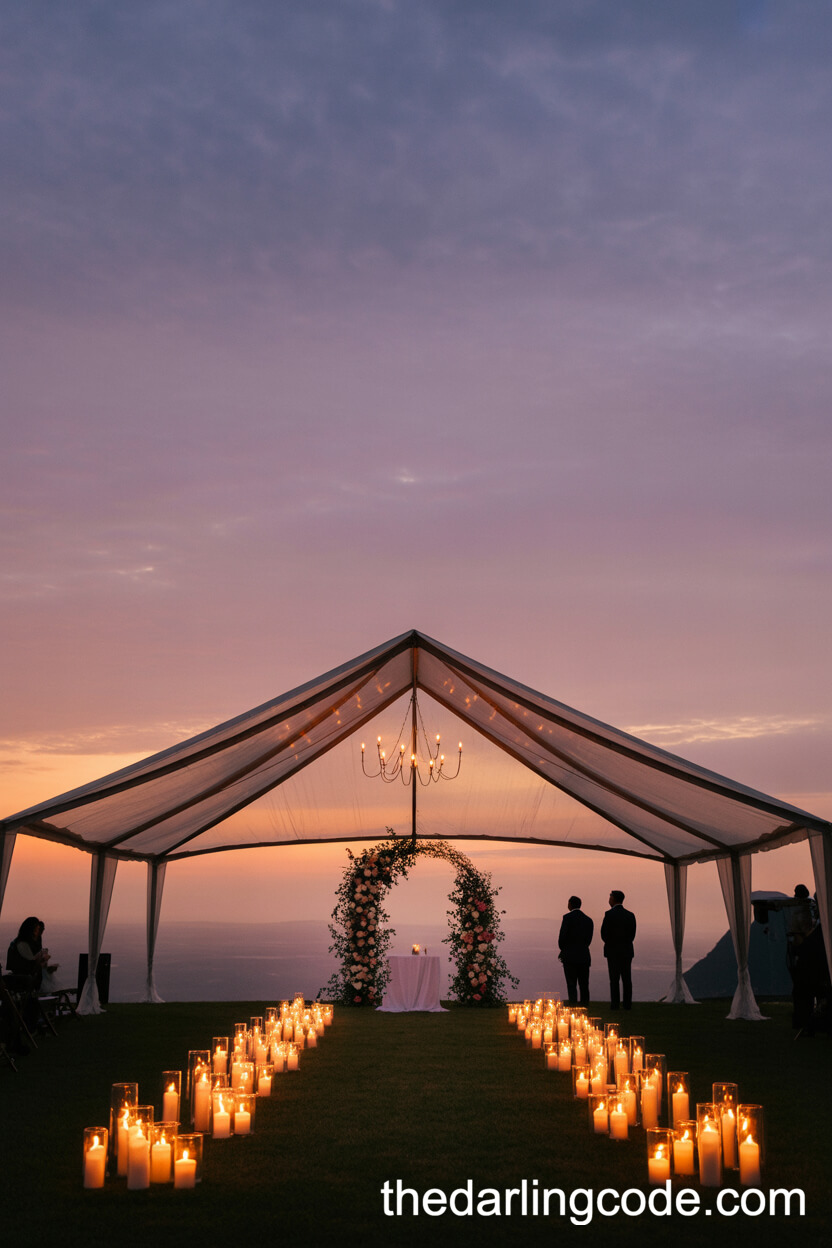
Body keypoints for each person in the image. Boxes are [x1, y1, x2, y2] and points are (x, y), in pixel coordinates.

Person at [600, 890, 637, 1010]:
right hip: (626, 951)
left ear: (614, 899)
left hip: (612, 951)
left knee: (614, 979)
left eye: (610, 897)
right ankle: (627, 1004)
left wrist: (611, 943)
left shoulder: (609, 915)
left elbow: (603, 934)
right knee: (627, 979)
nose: (608, 900)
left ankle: (615, 1004)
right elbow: (632, 934)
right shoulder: (630, 915)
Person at [558, 896, 593, 1006]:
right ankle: (584, 1003)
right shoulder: (588, 920)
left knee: (571, 982)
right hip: (583, 955)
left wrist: (564, 950)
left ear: (570, 904)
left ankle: (573, 1002)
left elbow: (562, 938)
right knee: (584, 983)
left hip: (570, 956)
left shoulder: (567, 918)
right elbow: (588, 939)